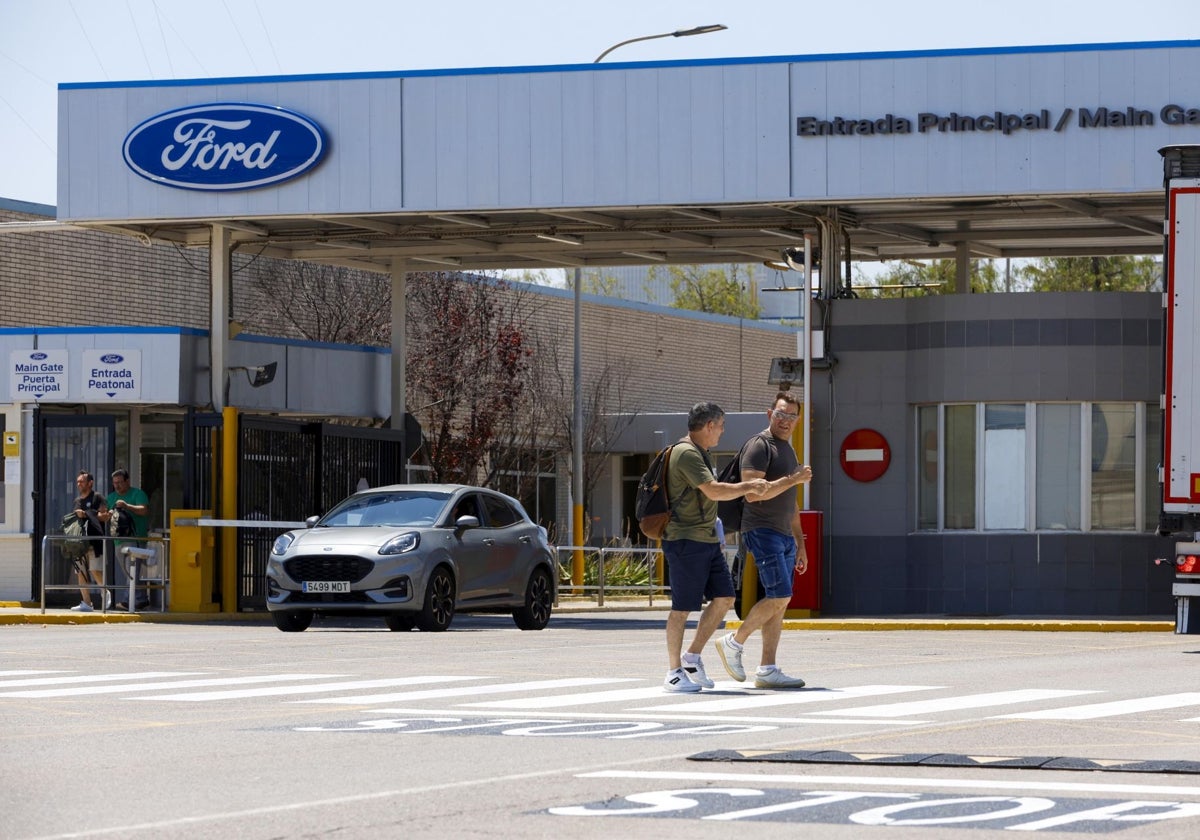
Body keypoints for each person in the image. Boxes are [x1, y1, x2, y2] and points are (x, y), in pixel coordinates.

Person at [661, 401, 769, 693]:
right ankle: (673, 672)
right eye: (721, 426)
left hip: (706, 539)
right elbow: (714, 490)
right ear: (709, 425)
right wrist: (749, 487)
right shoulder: (685, 453)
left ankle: (692, 657)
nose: (722, 432)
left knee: (724, 597)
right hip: (685, 539)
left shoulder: (701, 453)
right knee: (682, 608)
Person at [715, 392, 813, 688]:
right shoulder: (760, 445)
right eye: (780, 414)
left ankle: (767, 669)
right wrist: (793, 479)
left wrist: (801, 542)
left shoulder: (788, 449)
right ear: (770, 414)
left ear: (797, 420)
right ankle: (734, 642)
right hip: (762, 530)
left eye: (791, 416)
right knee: (780, 595)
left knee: (778, 603)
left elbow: (790, 501)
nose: (785, 421)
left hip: (783, 534)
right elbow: (752, 493)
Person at [102, 468, 151, 610]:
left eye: (120, 482)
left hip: (136, 537)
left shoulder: (138, 494)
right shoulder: (111, 497)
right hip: (119, 539)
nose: (117, 485)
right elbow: (104, 515)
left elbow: (144, 510)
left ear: (127, 481)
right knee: (129, 571)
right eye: (115, 483)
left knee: (132, 570)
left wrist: (126, 506)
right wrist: (108, 514)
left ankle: (126, 601)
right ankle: (141, 599)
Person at [69, 470, 108, 612]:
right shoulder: (78, 501)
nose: (79, 484)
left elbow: (105, 516)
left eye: (82, 481)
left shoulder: (97, 497)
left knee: (95, 570)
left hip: (94, 540)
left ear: (90, 483)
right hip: (80, 542)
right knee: (81, 572)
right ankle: (86, 603)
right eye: (78, 481)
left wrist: (87, 514)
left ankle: (105, 591)